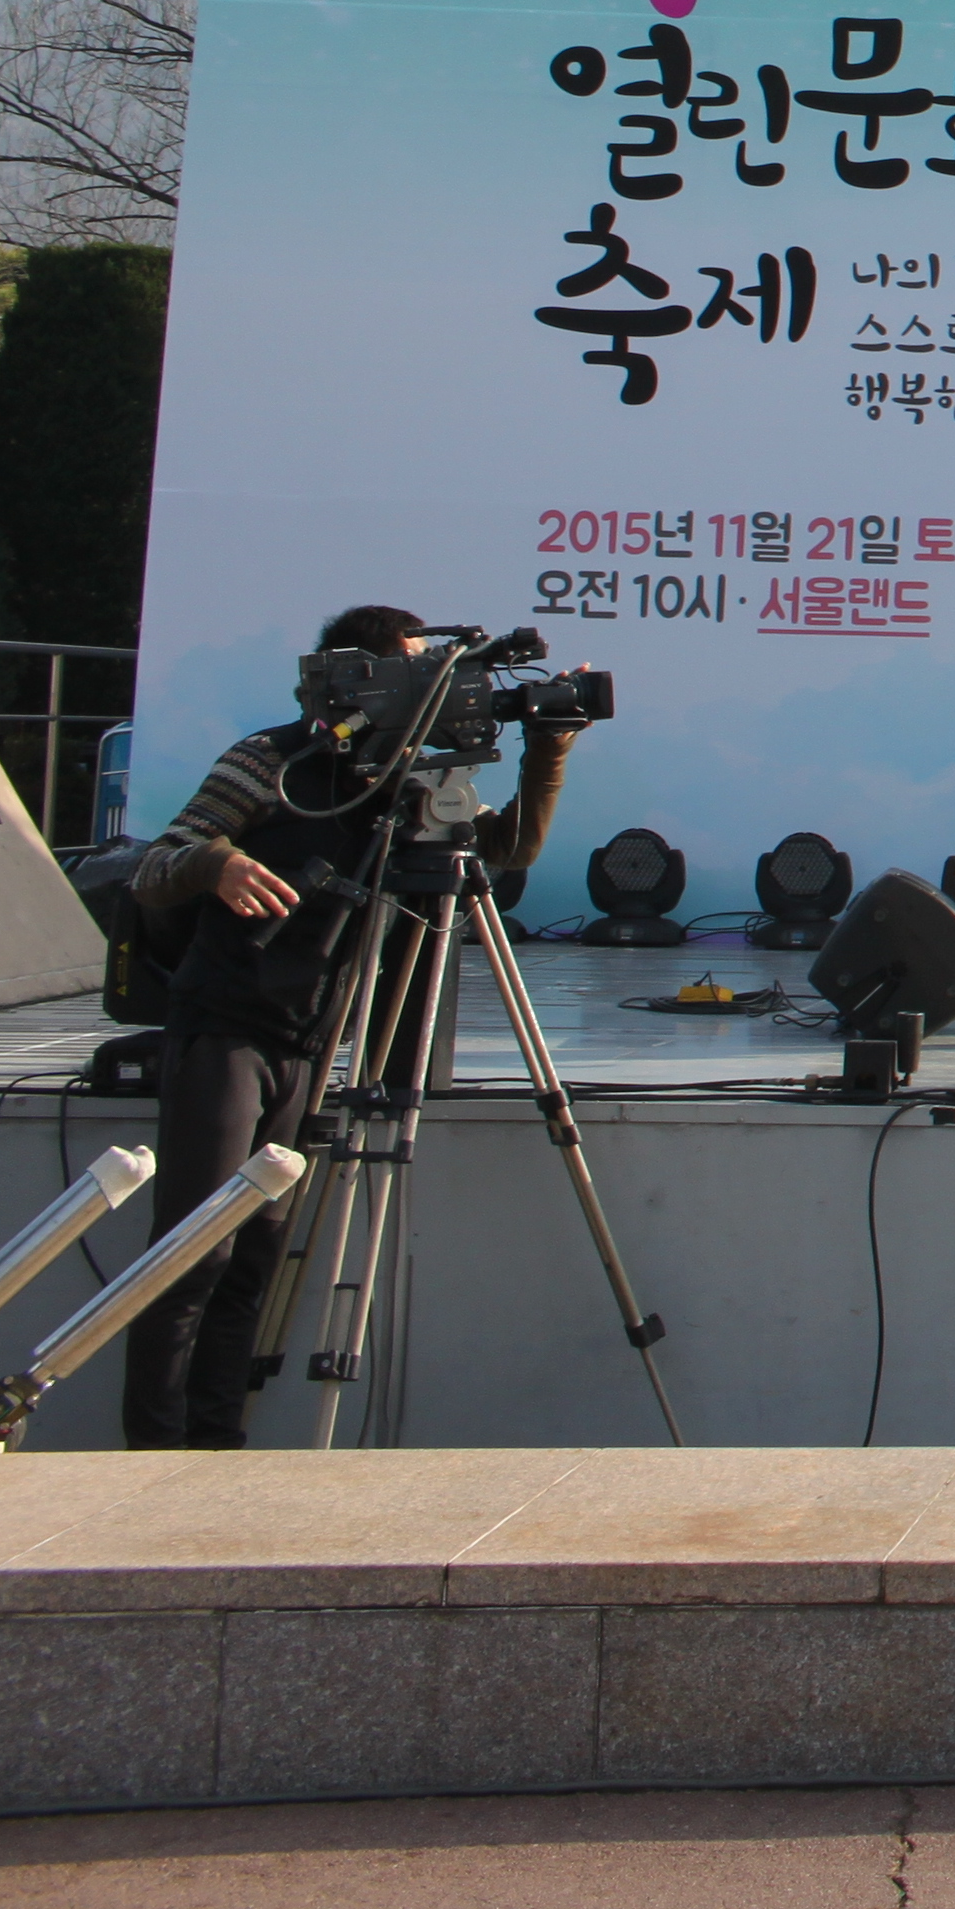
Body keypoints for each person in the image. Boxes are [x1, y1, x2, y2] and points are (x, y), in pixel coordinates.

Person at [116, 608, 585, 1447]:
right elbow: (155, 867)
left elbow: (504, 854)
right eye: (412, 673)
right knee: (193, 1254)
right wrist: (216, 862)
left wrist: (549, 752)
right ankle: (151, 1452)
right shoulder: (271, 760)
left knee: (252, 1258)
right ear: (357, 677)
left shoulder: (408, 780)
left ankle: (214, 1450)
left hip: (312, 1042)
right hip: (228, 1030)